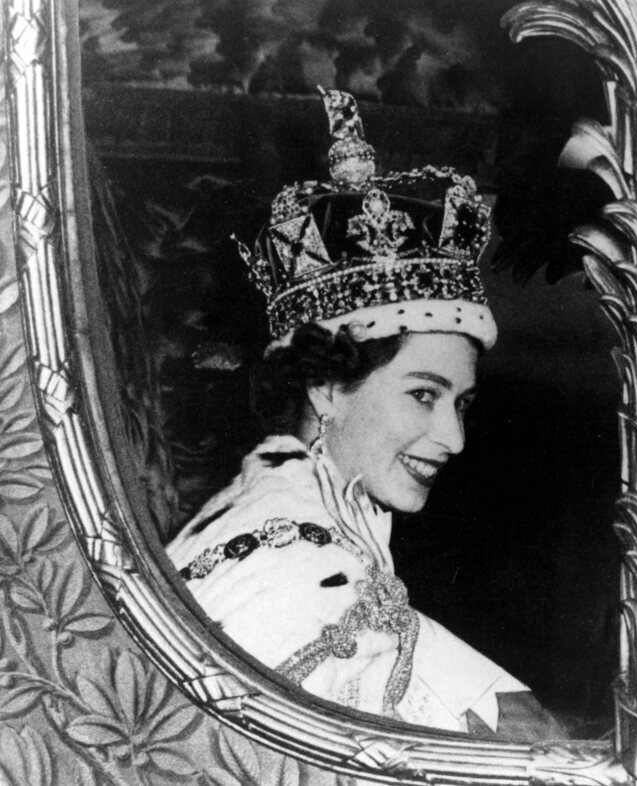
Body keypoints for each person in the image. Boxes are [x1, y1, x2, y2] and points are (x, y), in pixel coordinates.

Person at [167, 90, 564, 738]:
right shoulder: (296, 565)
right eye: (423, 395)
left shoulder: (325, 525)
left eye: (460, 404)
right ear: (325, 386)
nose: (454, 439)